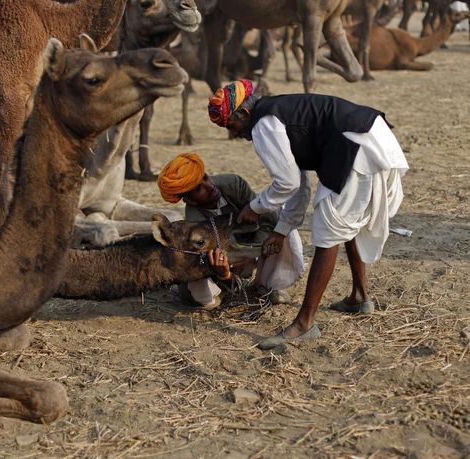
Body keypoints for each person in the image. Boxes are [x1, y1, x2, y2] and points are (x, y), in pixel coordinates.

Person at [207, 79, 409, 349]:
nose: (235, 133)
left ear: (243, 113)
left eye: (231, 125)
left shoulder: (263, 125)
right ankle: (360, 296)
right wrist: (281, 230)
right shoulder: (276, 112)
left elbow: (287, 184)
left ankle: (304, 323)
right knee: (344, 221)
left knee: (328, 231)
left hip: (354, 147)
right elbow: (298, 186)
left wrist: (254, 208)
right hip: (367, 136)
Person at [156, 152, 304, 309]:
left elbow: (266, 220)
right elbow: (206, 259)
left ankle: (265, 285)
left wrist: (254, 250)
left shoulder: (233, 184)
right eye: (199, 188)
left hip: (248, 247)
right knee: (197, 291)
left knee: (282, 226)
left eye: (205, 177)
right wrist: (225, 273)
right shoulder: (194, 219)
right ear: (189, 200)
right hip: (224, 261)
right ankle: (225, 292)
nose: (209, 186)